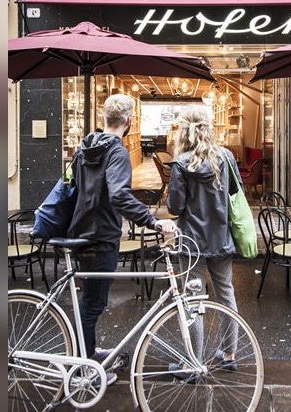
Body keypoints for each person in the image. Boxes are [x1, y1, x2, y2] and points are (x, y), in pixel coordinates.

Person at [67, 94, 176, 385]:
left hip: (83, 231)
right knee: (91, 305)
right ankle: (82, 369)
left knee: (91, 301)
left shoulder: (85, 147)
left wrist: (117, 217)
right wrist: (152, 220)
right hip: (100, 235)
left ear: (104, 119)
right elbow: (117, 194)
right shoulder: (116, 151)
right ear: (129, 122)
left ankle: (87, 353)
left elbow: (80, 189)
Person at [166, 106, 241, 373]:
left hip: (192, 243)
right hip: (221, 238)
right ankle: (229, 353)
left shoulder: (181, 163)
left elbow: (175, 207)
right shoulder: (227, 158)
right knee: (226, 295)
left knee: (193, 301)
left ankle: (193, 362)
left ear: (183, 131)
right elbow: (235, 192)